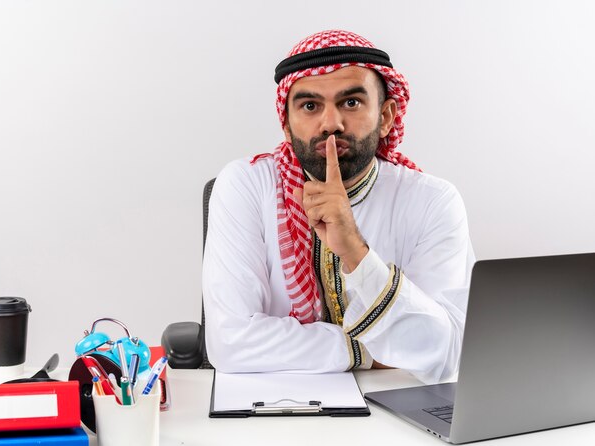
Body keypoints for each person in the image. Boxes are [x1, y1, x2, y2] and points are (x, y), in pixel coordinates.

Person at [202, 30, 475, 384]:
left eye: (351, 102)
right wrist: (368, 351)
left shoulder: (432, 201)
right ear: (286, 124)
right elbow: (230, 343)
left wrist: (357, 254)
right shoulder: (247, 184)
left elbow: (445, 353)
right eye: (310, 106)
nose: (331, 123)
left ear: (387, 115)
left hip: (398, 412)